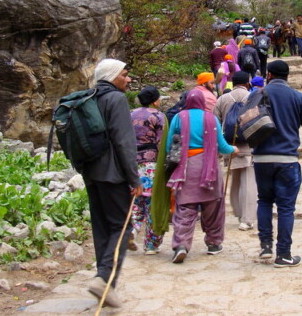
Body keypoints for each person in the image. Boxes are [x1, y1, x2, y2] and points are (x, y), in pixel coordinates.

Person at [84, 59, 142, 308]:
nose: (128, 79)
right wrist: (134, 178)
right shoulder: (116, 99)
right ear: (111, 76)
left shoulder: (89, 97)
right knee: (122, 227)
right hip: (113, 174)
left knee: (102, 227)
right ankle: (104, 279)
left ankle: (105, 284)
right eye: (125, 75)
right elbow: (124, 142)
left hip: (92, 173)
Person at [252, 60, 302, 267]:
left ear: (269, 74)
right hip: (287, 159)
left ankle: (265, 246)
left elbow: (243, 121)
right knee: (286, 208)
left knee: (264, 201)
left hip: (261, 158)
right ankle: (283, 254)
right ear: (287, 75)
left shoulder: (258, 95)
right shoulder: (298, 97)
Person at [166, 90, 239, 263]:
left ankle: (181, 245)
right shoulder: (211, 118)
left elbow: (170, 144)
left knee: (185, 207)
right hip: (209, 167)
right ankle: (214, 243)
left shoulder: (178, 117)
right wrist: (232, 150)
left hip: (186, 167)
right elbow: (221, 145)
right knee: (213, 206)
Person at [214, 71, 257, 231]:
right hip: (247, 145)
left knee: (235, 180)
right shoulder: (252, 97)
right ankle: (246, 219)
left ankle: (238, 213)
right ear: (247, 83)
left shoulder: (223, 99)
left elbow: (215, 121)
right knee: (248, 181)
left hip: (229, 144)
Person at [129, 86, 167, 254]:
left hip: (132, 164)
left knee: (136, 201)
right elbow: (161, 143)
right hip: (152, 165)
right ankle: (151, 245)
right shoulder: (158, 116)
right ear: (155, 101)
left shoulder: (129, 115)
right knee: (153, 205)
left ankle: (133, 229)